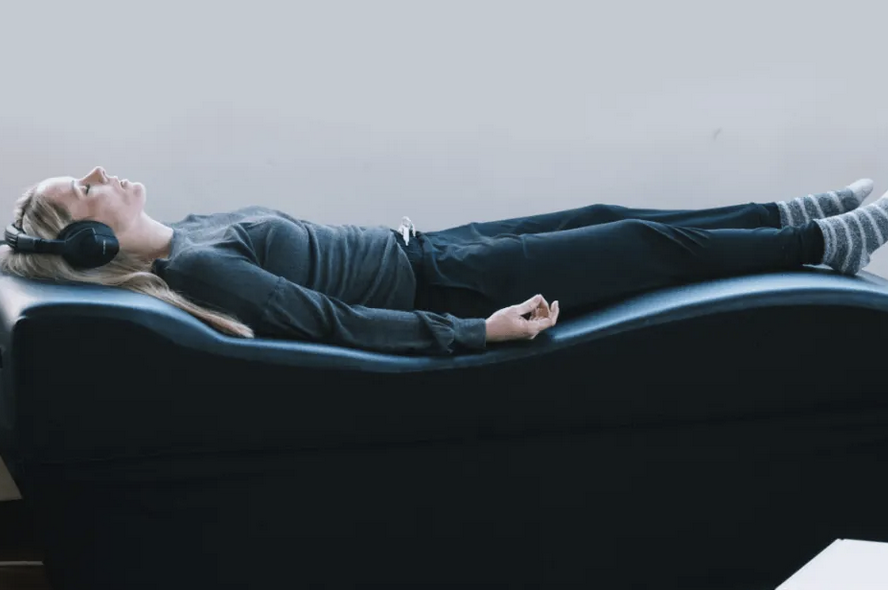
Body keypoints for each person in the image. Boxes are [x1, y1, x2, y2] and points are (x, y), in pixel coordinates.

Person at [0, 166, 884, 356]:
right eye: (82, 191)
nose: (99, 175)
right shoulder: (200, 271)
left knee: (613, 215)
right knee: (642, 248)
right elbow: (335, 323)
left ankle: (796, 213)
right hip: (456, 284)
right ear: (89, 241)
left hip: (435, 246)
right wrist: (477, 330)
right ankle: (829, 244)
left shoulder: (192, 229)